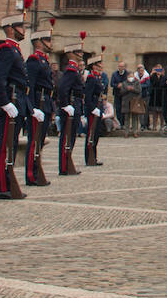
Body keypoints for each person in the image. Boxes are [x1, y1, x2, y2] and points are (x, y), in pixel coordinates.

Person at [0, 13, 28, 199]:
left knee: (11, 145)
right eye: (21, 27)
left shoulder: (15, 50)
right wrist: (4, 102)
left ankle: (9, 183)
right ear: (11, 29)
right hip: (11, 101)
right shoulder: (7, 49)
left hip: (18, 101)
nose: (25, 30)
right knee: (6, 147)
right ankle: (3, 187)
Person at [24, 27, 55, 186]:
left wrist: (51, 109)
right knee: (34, 141)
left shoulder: (44, 60)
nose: (50, 43)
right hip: (38, 102)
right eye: (47, 40)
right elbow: (30, 84)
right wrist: (32, 108)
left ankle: (36, 171)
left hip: (46, 102)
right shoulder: (34, 60)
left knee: (40, 141)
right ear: (38, 42)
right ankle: (31, 175)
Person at [56, 41, 86, 176]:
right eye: (78, 52)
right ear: (71, 54)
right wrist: (65, 105)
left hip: (76, 105)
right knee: (67, 137)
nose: (81, 54)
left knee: (71, 136)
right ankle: (64, 166)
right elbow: (63, 89)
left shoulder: (74, 70)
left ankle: (67, 163)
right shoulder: (70, 70)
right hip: (71, 106)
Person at [83, 54, 106, 166]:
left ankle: (94, 156)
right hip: (93, 109)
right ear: (94, 66)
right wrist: (92, 108)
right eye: (99, 64)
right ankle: (89, 158)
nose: (101, 66)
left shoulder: (97, 77)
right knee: (91, 134)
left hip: (98, 107)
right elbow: (87, 96)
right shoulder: (91, 78)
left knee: (96, 134)